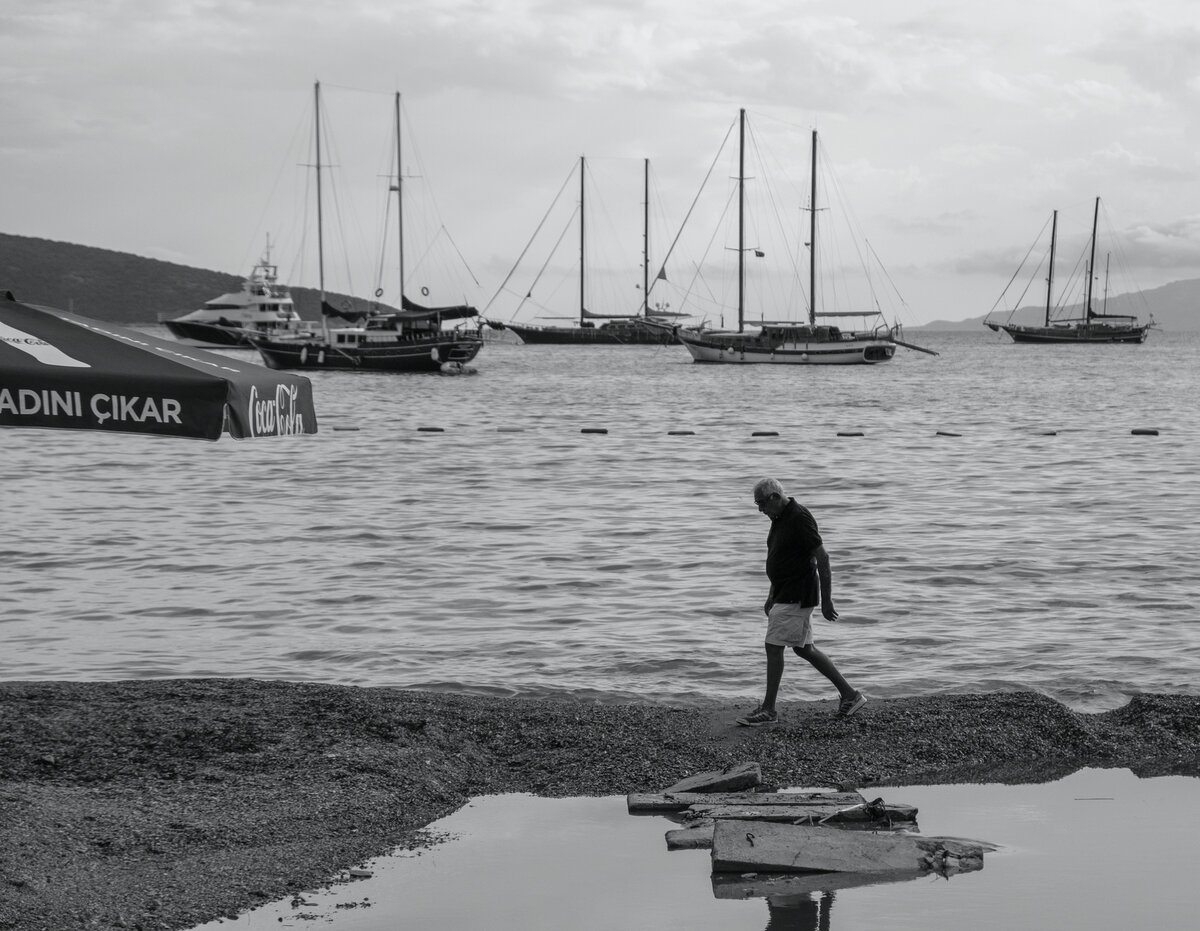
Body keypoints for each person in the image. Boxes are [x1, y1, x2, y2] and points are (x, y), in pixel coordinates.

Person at [736, 477, 867, 726]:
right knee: (803, 648)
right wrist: (771, 593)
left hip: (797, 593)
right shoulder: (780, 518)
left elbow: (823, 558)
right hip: (786, 592)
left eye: (761, 503)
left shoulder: (799, 517)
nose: (760, 509)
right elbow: (782, 558)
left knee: (773, 647)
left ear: (774, 497)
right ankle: (850, 695)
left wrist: (827, 601)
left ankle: (769, 710)